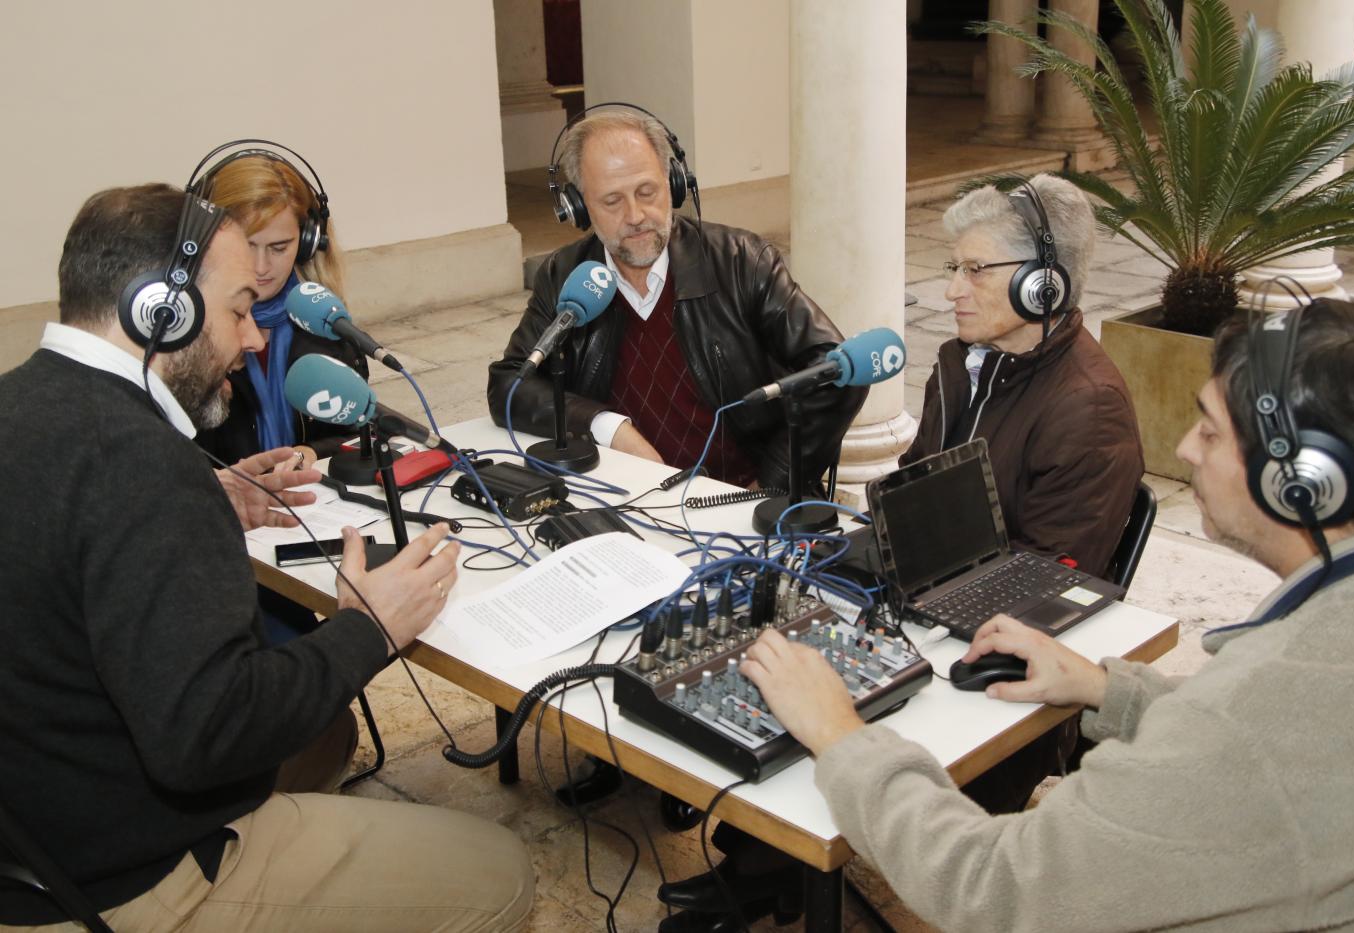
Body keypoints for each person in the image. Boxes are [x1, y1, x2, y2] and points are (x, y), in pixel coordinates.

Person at [742, 298, 1354, 931]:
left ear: (1305, 482)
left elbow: (997, 891)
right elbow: (1273, 736)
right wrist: (1110, 689)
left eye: (1208, 428)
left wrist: (841, 735)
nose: (1185, 449)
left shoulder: (1246, 719)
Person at [0, 184, 534, 931]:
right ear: (162, 311)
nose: (253, 339)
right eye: (238, 309)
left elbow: (72, 535)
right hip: (114, 881)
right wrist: (368, 628)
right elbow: (207, 736)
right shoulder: (143, 464)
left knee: (325, 736)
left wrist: (202, 499)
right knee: (500, 872)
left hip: (32, 828)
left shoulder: (24, 404)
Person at [902, 174, 1145, 817]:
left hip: (1006, 663)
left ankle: (767, 876)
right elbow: (913, 482)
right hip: (931, 601)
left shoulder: (1088, 407)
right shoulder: (962, 364)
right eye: (954, 267)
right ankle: (765, 868)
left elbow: (1047, 583)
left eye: (975, 270)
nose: (952, 289)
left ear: (1044, 283)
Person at [486, 107, 865, 491]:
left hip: (739, 497)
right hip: (629, 497)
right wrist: (609, 427)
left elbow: (841, 372)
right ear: (579, 208)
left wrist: (773, 482)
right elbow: (509, 385)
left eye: (647, 191)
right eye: (612, 201)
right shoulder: (565, 275)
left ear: (675, 184)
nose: (635, 215)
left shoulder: (741, 261)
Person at [193, 143, 366, 469]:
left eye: (278, 247)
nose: (260, 267)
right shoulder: (183, 340)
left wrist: (313, 453)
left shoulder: (323, 323)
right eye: (247, 245)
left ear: (307, 242)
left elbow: (359, 430)